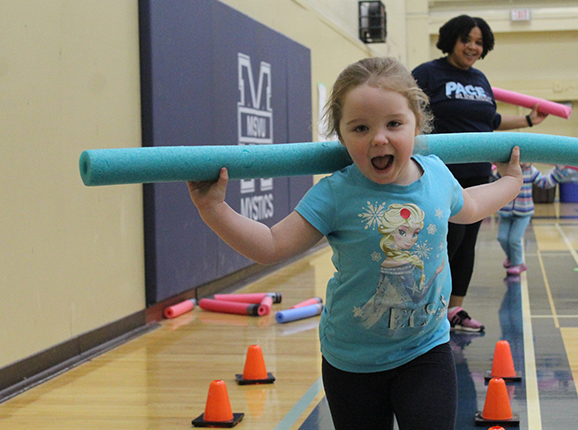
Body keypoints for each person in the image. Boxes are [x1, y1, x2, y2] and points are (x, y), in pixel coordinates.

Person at [187, 56, 523, 430]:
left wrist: (510, 182)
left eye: (394, 124)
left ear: (417, 122)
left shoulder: (437, 176)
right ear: (342, 135)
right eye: (360, 128)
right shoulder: (335, 193)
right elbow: (270, 245)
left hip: (425, 347)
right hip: (352, 361)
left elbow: (473, 205)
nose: (379, 138)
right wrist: (213, 209)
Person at [412, 14, 548, 332]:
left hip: (477, 174)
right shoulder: (428, 74)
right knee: (446, 241)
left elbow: (490, 121)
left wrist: (528, 121)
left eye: (479, 42)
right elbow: (406, 113)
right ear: (451, 40)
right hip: (440, 174)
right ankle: (430, 310)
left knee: (466, 244)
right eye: (467, 40)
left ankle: (454, 311)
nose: (473, 47)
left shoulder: (480, 80)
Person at [494, 163, 567, 275]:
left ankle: (518, 263)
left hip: (523, 212)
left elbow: (545, 182)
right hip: (505, 212)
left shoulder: (530, 171)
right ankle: (511, 258)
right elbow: (495, 183)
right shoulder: (506, 170)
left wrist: (559, 170)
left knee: (514, 239)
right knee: (502, 238)